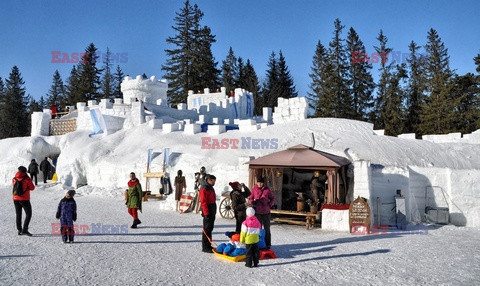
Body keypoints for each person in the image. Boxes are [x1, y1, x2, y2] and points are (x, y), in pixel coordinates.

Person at [248, 176, 275, 249]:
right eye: (258, 183)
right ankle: (258, 243)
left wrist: (269, 205)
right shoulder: (254, 189)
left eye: (261, 183)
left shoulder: (267, 190)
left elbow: (272, 198)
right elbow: (250, 197)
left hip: (266, 212)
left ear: (263, 183)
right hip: (257, 212)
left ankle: (268, 244)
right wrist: (252, 202)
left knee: (267, 229)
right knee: (258, 229)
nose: (259, 184)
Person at [12, 166, 35, 236]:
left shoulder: (14, 178)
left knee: (18, 214)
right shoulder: (27, 179)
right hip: (24, 199)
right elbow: (32, 188)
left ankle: (19, 230)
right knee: (28, 214)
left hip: (15, 199)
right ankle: (25, 229)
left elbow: (14, 186)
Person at [199, 174, 217, 253]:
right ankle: (205, 247)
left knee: (210, 228)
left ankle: (209, 244)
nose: (214, 182)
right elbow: (203, 202)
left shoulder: (210, 187)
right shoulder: (204, 188)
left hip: (212, 209)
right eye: (213, 181)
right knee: (207, 229)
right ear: (209, 180)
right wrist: (206, 214)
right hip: (207, 210)